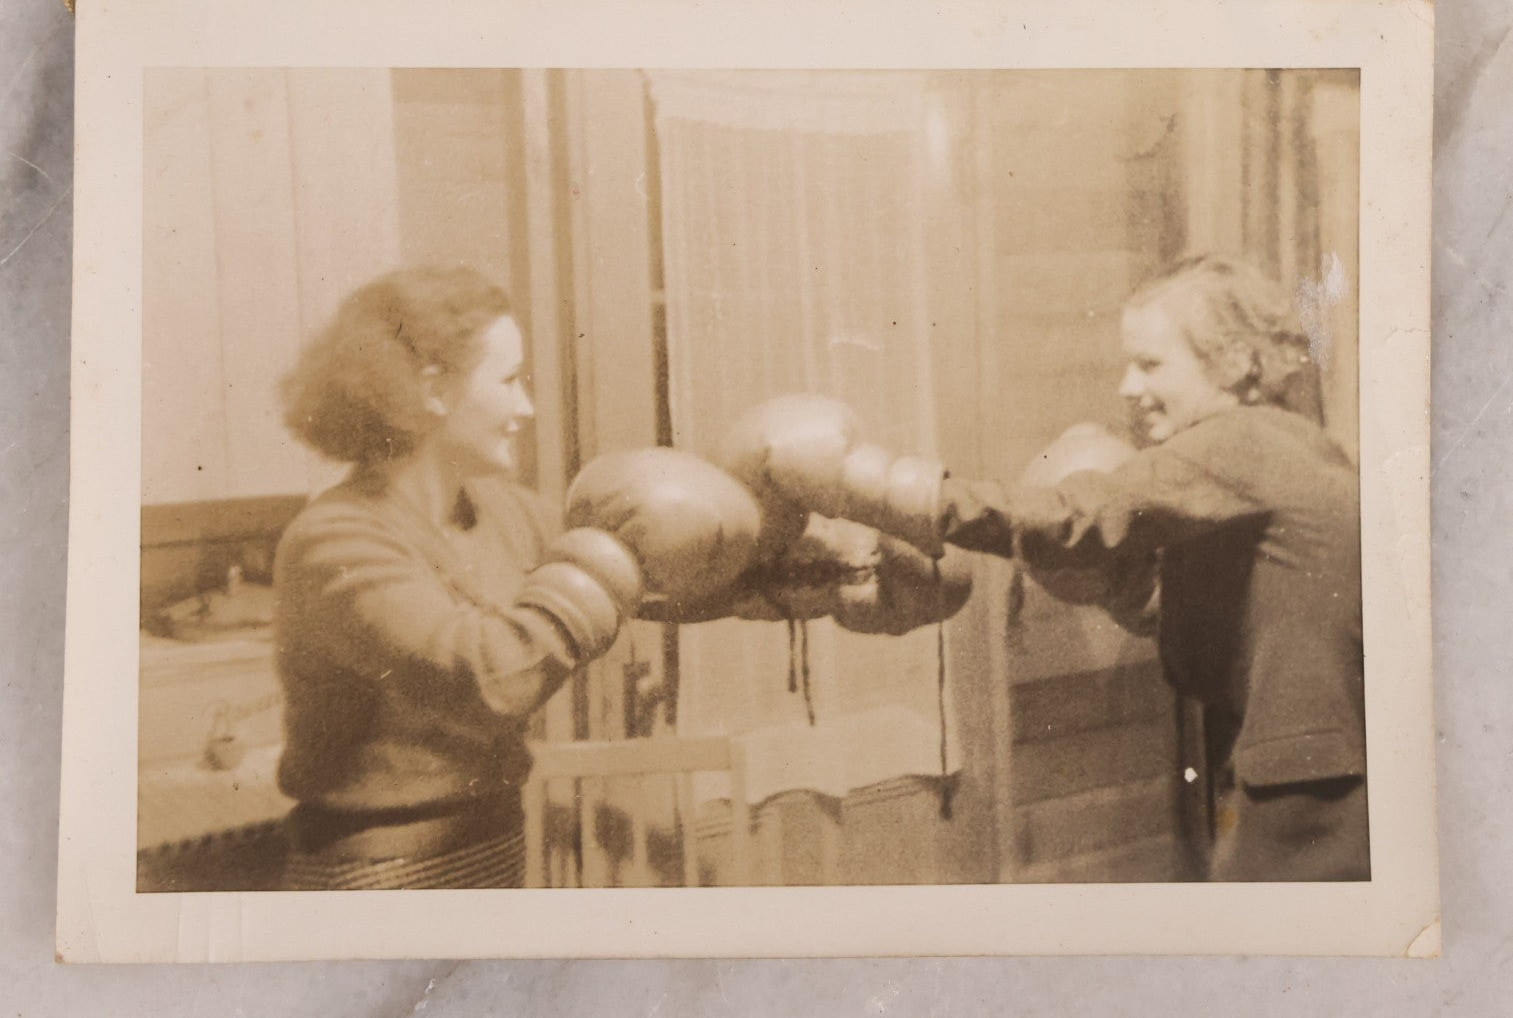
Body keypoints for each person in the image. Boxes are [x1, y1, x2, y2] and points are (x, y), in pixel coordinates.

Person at [273, 266, 972, 890]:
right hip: (371, 879)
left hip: (490, 851)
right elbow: (488, 676)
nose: (527, 409)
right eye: (509, 381)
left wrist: (832, 575)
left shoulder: (502, 513)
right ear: (431, 389)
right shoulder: (335, 540)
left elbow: (652, 586)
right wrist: (629, 547)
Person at [719, 255, 1368, 882]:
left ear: (1232, 362)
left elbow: (1067, 521)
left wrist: (875, 487)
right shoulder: (1296, 442)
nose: (1127, 388)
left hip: (1313, 780)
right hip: (1328, 764)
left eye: (1149, 364)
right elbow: (1243, 620)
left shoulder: (1237, 441)